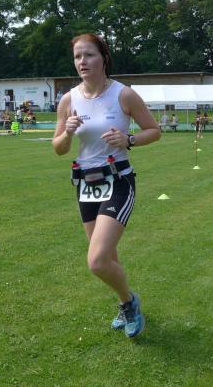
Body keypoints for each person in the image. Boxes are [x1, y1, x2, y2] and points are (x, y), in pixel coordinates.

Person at [52, 32, 161, 339]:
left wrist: (128, 139)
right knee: (108, 257)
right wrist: (67, 132)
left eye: (89, 55)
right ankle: (126, 303)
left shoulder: (123, 94)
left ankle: (130, 302)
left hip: (118, 180)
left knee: (97, 260)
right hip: (86, 183)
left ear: (104, 58)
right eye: (77, 57)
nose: (82, 62)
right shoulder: (68, 100)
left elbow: (154, 130)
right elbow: (58, 148)